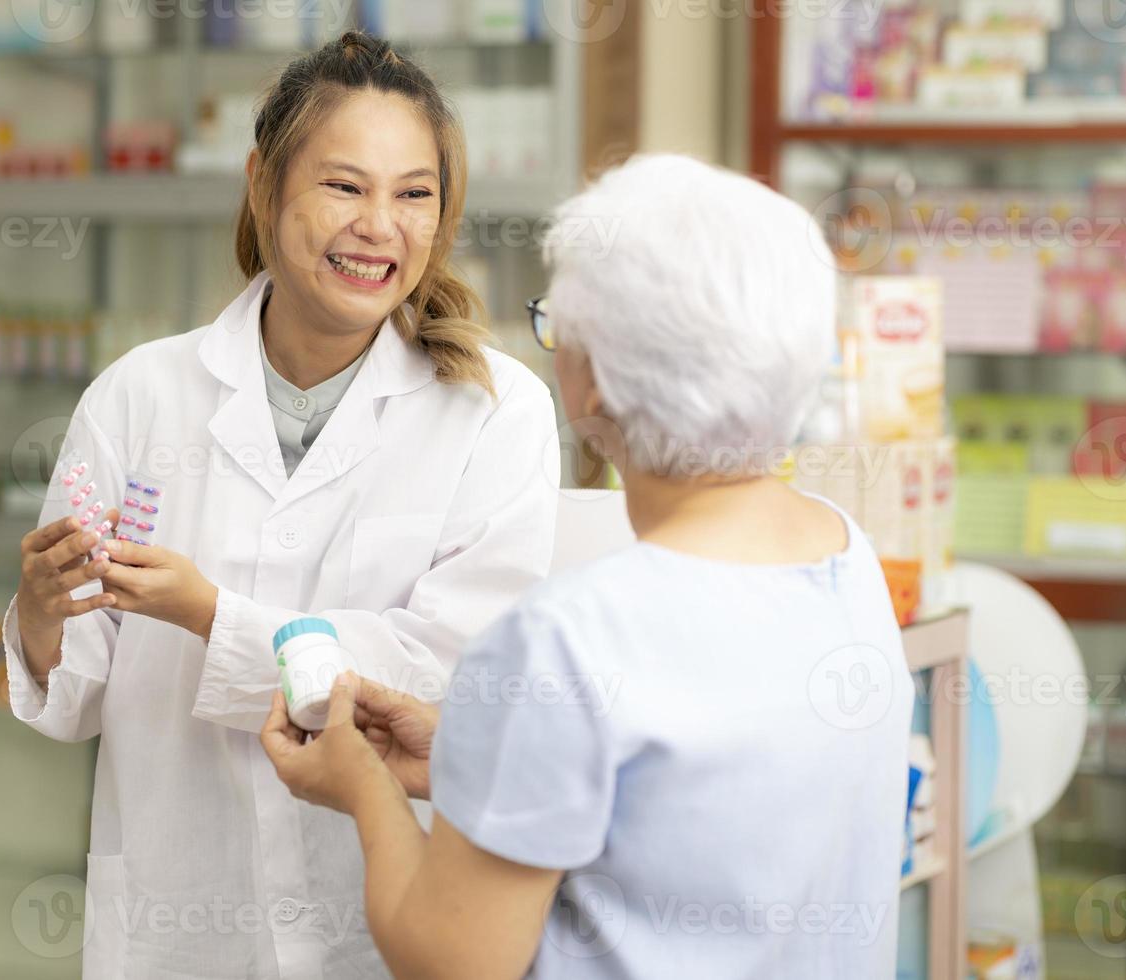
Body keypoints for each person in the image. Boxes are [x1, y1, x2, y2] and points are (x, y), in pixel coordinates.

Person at [262, 154, 917, 979]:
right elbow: (693, 810)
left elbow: (450, 960)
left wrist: (365, 790)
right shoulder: (844, 553)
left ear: (594, 383)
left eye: (555, 328)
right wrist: (480, 755)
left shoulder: (564, 639)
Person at [4, 31, 559, 979]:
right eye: (344, 186)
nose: (379, 226)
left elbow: (447, 675)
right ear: (264, 184)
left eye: (412, 194)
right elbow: (75, 695)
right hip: (179, 928)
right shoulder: (141, 395)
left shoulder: (495, 411)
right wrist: (43, 614)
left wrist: (211, 615)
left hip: (381, 927)